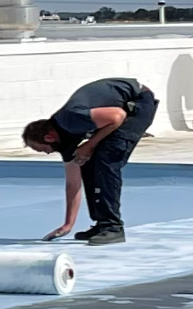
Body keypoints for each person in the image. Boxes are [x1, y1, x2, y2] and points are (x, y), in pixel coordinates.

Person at [22, 76, 157, 246]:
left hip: (138, 100)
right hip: (121, 107)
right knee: (86, 162)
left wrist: (90, 144)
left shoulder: (71, 118)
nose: (47, 153)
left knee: (106, 159)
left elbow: (117, 116)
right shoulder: (65, 141)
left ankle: (112, 227)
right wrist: (68, 224)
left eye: (43, 149)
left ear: (49, 138)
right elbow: (73, 183)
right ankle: (102, 224)